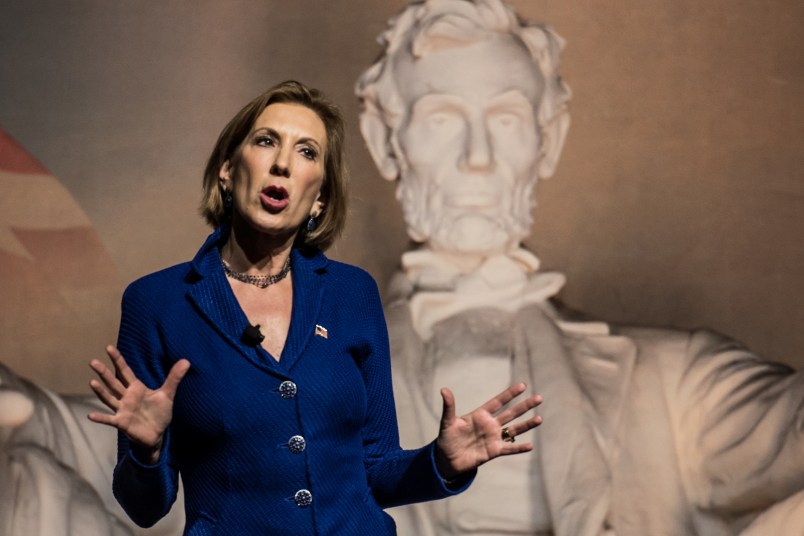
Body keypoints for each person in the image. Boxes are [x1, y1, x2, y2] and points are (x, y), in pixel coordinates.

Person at [355, 1, 804, 535]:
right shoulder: (300, 384)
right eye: (441, 119)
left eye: (505, 118)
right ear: (386, 142)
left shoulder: (671, 381)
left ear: (551, 138)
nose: (478, 157)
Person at [86, 80, 543, 535]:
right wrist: (147, 454)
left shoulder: (352, 294)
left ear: (319, 198)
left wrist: (442, 462)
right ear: (227, 170)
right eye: (266, 142)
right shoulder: (158, 302)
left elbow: (375, 469)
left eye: (307, 152)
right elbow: (144, 508)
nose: (283, 163)